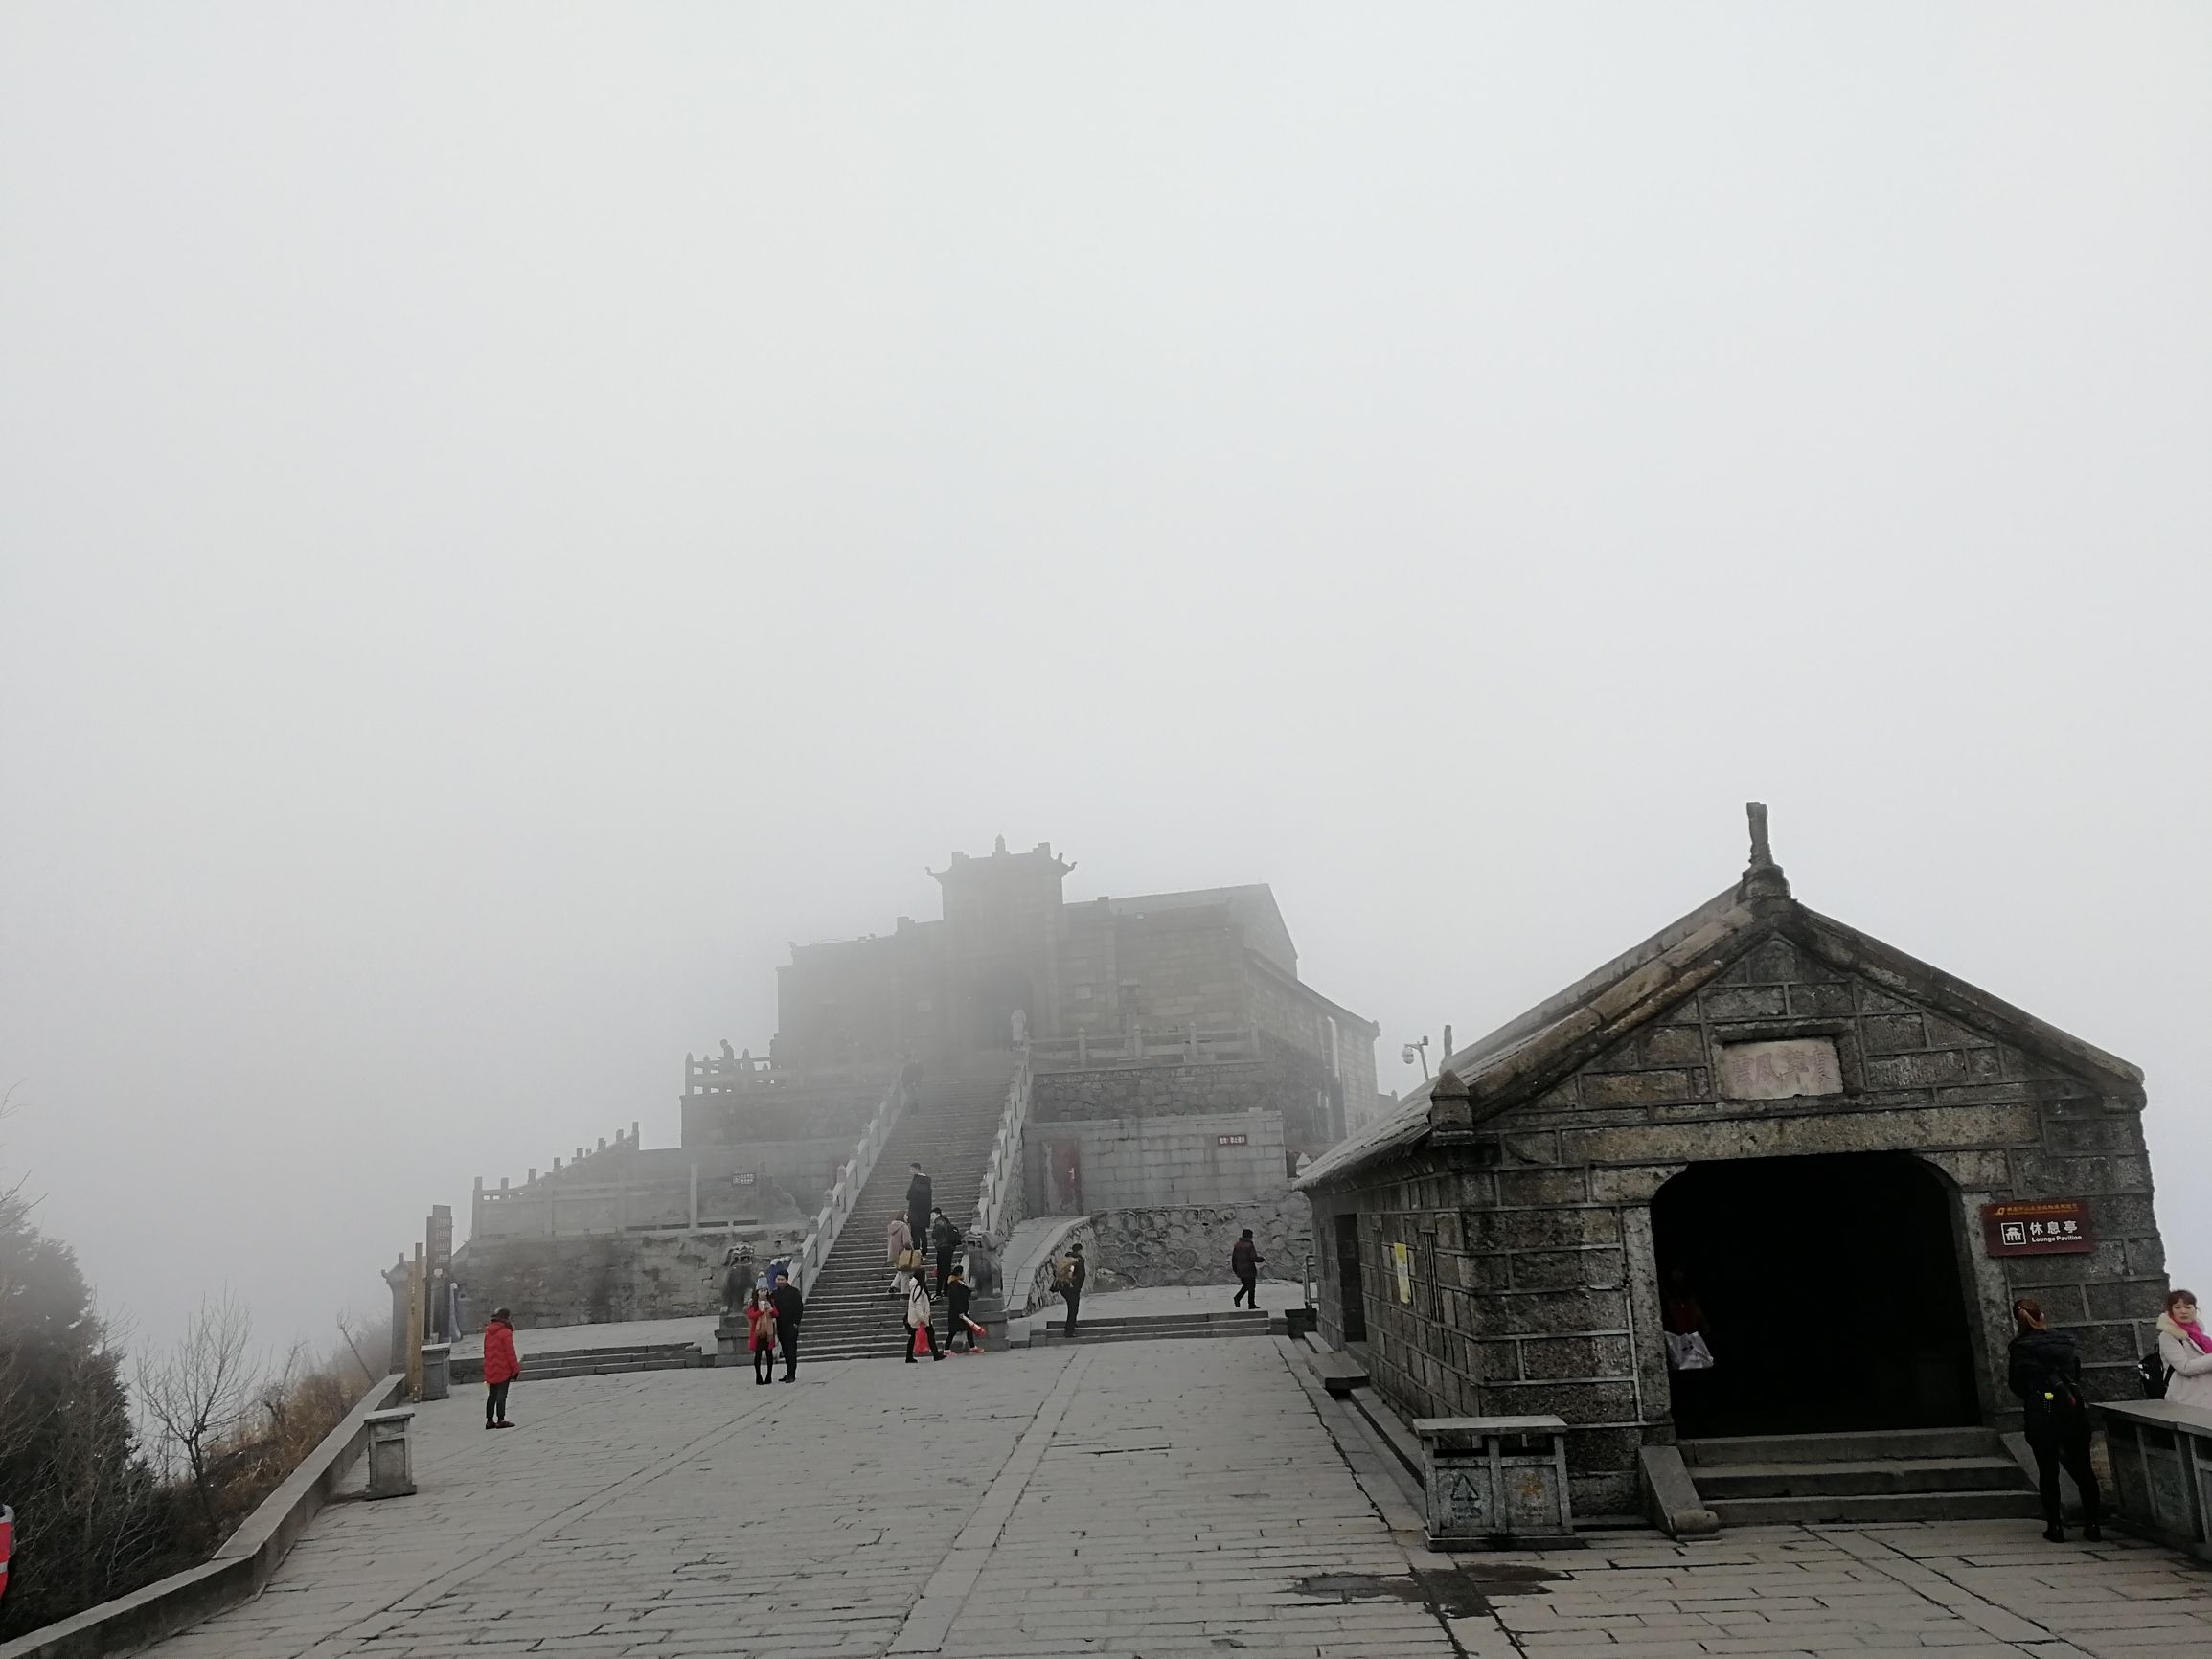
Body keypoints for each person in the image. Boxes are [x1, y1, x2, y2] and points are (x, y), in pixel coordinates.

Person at [2007, 1299, 2103, 1542]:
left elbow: (2017, 1385)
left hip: (2043, 1409)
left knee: (2048, 1471)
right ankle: (2093, 1525)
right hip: (2071, 1411)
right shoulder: (2065, 1343)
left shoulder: (2020, 1348)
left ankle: (2055, 1527)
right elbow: (2076, 1375)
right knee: (2084, 1469)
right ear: (2042, 1316)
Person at [2157, 1288, 2212, 1407]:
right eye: (2177, 1307)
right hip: (2185, 1400)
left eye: (2188, 1307)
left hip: (2206, 1401)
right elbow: (2184, 1368)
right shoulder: (2168, 1335)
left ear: (2195, 1309)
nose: (2183, 1311)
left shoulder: (2200, 1336)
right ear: (2170, 1311)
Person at [482, 1307, 520, 1429]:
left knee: (491, 1395)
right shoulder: (505, 1333)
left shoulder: (488, 1332)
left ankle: (489, 1420)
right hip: (503, 1369)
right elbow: (510, 1353)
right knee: (501, 1396)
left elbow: (486, 1352)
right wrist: (516, 1369)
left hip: (491, 1369)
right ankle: (501, 1419)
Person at [771, 1274, 804, 1381]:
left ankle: (792, 1374)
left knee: (791, 1351)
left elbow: (799, 1308)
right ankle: (788, 1372)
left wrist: (796, 1323)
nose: (780, 1281)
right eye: (778, 1279)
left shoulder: (794, 1292)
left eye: (782, 1279)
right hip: (780, 1326)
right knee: (785, 1350)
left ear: (786, 1280)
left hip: (791, 1326)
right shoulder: (774, 1294)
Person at [904, 1272, 942, 1362]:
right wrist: (922, 1318)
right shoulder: (918, 1288)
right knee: (920, 1335)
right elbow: (918, 1304)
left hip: (919, 1316)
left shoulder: (918, 1287)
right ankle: (935, 1355)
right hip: (919, 1317)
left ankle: (935, 1354)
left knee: (926, 1334)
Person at [744, 1285, 778, 1385]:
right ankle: (758, 1375)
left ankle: (769, 1375)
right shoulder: (753, 1304)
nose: (763, 1292)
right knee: (758, 1354)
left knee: (769, 1354)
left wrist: (771, 1310)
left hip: (769, 1331)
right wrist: (760, 1311)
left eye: (765, 1290)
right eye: (761, 1290)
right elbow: (751, 1316)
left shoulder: (770, 1302)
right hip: (757, 1332)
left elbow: (776, 1314)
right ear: (757, 1292)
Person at [945, 1265, 979, 1353]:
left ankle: (972, 1346)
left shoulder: (959, 1283)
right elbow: (955, 1299)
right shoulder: (954, 1285)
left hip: (960, 1311)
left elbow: (965, 1293)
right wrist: (960, 1312)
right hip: (957, 1312)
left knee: (968, 1328)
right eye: (963, 1272)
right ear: (959, 1273)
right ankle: (946, 1349)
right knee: (953, 1331)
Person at [1056, 1241, 1086, 1337]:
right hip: (1072, 1288)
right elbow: (1081, 1275)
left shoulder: (1067, 1258)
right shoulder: (1078, 1260)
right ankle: (1069, 1331)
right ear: (1080, 1250)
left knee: (1071, 1307)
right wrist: (1077, 1287)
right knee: (1073, 1309)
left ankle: (1071, 1324)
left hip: (1063, 1287)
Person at [929, 1206, 961, 1296]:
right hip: (949, 1248)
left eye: (933, 1215)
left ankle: (938, 1291)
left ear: (938, 1214)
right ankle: (946, 1290)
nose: (931, 1218)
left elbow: (934, 1234)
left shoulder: (939, 1222)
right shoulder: (946, 1221)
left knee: (941, 1270)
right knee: (947, 1270)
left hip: (943, 1248)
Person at [1231, 1228, 1265, 1308]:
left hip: (1240, 1269)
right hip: (1249, 1269)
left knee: (1246, 1285)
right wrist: (1260, 1259)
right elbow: (1253, 1257)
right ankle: (1250, 1304)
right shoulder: (1249, 1245)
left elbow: (1233, 1258)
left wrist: (1235, 1269)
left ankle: (1238, 1298)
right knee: (1251, 1287)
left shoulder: (1237, 1245)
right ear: (1250, 1236)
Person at [905, 1163, 933, 1256]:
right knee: (923, 1233)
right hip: (924, 1213)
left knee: (915, 1233)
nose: (910, 1172)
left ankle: (917, 1252)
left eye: (911, 1170)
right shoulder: (928, 1181)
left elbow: (909, 1196)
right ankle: (924, 1251)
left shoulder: (916, 1181)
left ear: (916, 1169)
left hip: (915, 1212)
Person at [721, 1245, 756, 1317]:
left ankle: (746, 1304)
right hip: (733, 1296)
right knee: (727, 1287)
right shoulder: (730, 1272)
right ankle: (727, 1305)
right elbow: (726, 1288)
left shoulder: (748, 1270)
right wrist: (725, 1304)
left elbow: (751, 1286)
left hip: (745, 1294)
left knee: (749, 1290)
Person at [887, 1214, 916, 1296]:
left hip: (893, 1253)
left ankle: (894, 1286)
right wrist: (912, 1249)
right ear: (902, 1216)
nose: (908, 1217)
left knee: (901, 1270)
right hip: (903, 1253)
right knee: (905, 1274)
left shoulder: (891, 1227)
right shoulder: (904, 1226)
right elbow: (906, 1242)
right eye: (906, 1215)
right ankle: (904, 1294)